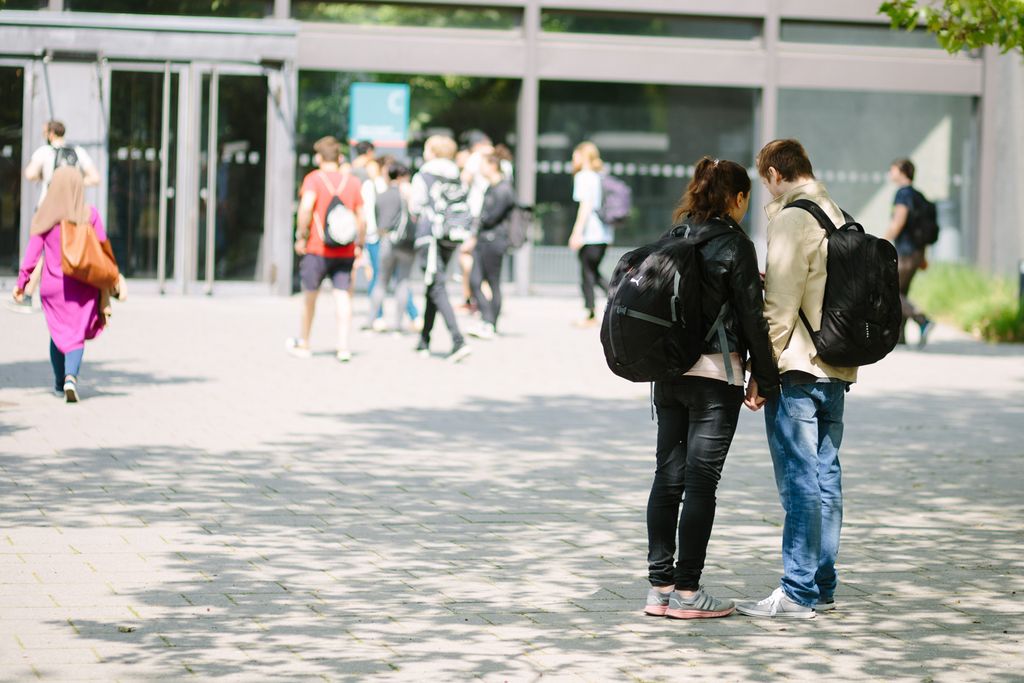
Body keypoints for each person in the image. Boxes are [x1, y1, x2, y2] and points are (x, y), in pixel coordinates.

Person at [643, 157, 779, 620]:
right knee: (701, 483)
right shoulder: (735, 244)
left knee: (667, 477)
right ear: (738, 198)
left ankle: (658, 590)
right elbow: (752, 320)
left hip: (668, 374)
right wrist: (767, 376)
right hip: (716, 377)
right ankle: (688, 593)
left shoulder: (674, 235)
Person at [735, 139, 857, 619]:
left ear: (772, 173)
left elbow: (779, 308)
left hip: (798, 368)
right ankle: (821, 586)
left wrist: (759, 372)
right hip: (836, 366)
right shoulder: (838, 214)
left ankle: (798, 591)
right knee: (826, 478)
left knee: (800, 481)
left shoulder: (793, 218)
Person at [12, 168, 108, 403]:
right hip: (83, 286)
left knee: (58, 334)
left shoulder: (46, 218)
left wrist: (22, 283)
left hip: (53, 286)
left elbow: (32, 256)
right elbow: (103, 246)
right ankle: (70, 378)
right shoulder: (90, 215)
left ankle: (58, 383)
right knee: (75, 335)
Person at [287, 136, 365, 363]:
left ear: (319, 157)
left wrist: (301, 234)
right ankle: (343, 346)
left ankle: (305, 342)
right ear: (340, 158)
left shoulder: (314, 179)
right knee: (343, 296)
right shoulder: (352, 183)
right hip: (346, 250)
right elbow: (362, 218)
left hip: (318, 248)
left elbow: (305, 208)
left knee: (310, 296)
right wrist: (358, 243)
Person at [11, 121, 100, 314]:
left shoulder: (45, 152)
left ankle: (28, 291)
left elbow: (29, 173)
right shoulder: (78, 152)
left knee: (42, 249)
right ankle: (49, 291)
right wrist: (74, 183)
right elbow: (95, 177)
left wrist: (48, 179)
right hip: (72, 210)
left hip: (47, 208)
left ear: (51, 134)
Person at [409, 134, 472, 362]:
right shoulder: (455, 175)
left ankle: (458, 340)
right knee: (433, 283)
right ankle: (424, 340)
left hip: (431, 236)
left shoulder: (424, 175)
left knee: (436, 285)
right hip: (450, 236)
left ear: (432, 151)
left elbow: (415, 207)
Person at [885, 159, 934, 348]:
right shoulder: (919, 195)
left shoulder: (903, 194)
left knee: (891, 291)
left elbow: (898, 222)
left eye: (893, 169)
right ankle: (900, 337)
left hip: (905, 252)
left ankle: (923, 320)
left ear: (902, 172)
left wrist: (880, 241)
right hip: (916, 252)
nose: (890, 173)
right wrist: (923, 256)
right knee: (901, 291)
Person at [467, 154, 516, 340]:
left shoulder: (503, 189)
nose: (480, 168)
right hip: (484, 239)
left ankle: (490, 323)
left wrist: (478, 222)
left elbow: (491, 216)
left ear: (493, 166)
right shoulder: (492, 187)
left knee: (493, 282)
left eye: (483, 165)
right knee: (475, 280)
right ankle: (487, 319)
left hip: (494, 240)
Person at [367, 162, 420, 333]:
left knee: (381, 281)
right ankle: (398, 324)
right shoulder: (407, 194)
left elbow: (377, 221)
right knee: (403, 282)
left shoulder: (381, 195)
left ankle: (372, 320)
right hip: (406, 243)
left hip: (386, 240)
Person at [568, 141, 612, 326]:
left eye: (575, 156)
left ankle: (591, 313)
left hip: (591, 234)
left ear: (584, 157)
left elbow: (585, 207)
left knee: (587, 274)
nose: (572, 160)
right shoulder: (598, 176)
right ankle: (617, 298)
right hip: (604, 234)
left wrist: (576, 233)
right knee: (592, 272)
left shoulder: (583, 177)